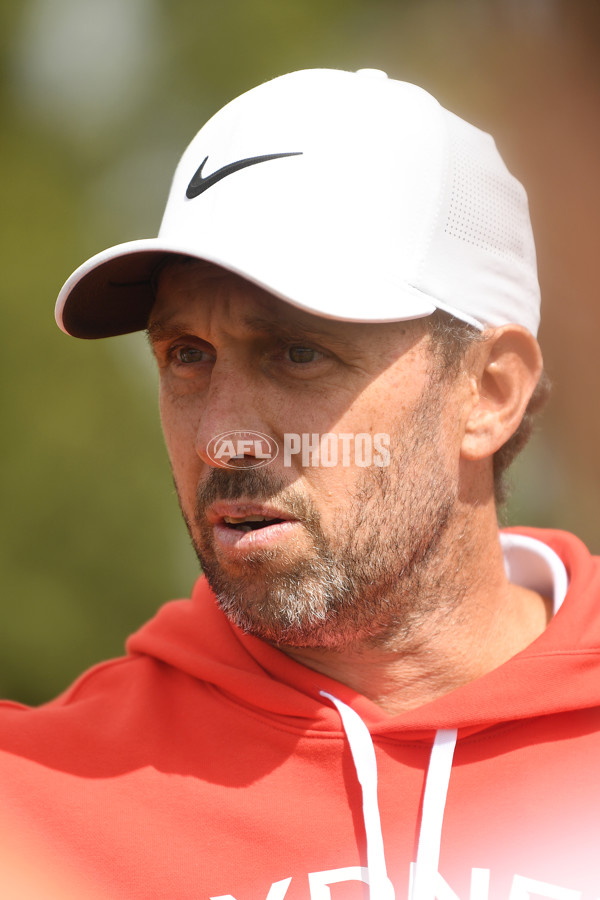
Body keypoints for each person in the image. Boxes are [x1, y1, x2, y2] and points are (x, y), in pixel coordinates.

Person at [2, 68, 599, 900]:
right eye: (187, 356)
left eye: (298, 353)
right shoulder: (30, 814)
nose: (220, 438)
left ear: (489, 393)